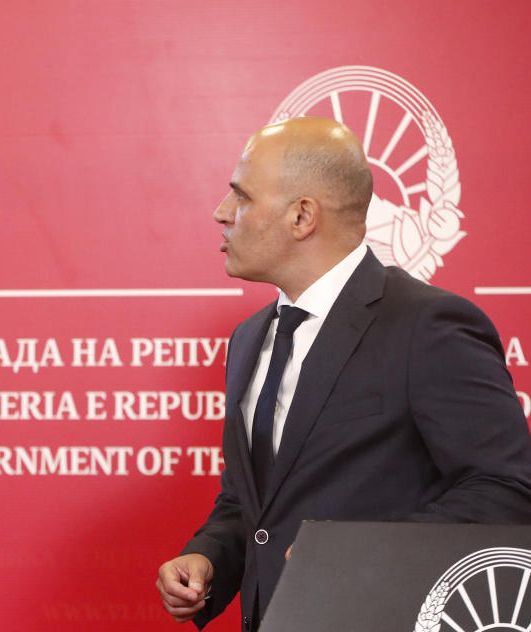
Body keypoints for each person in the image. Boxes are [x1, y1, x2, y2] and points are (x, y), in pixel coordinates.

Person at [156, 116, 531, 631]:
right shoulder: (248, 340)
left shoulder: (428, 326)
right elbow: (252, 504)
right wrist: (208, 560)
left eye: (240, 197)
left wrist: (353, 557)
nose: (222, 214)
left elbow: (505, 488)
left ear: (302, 216)